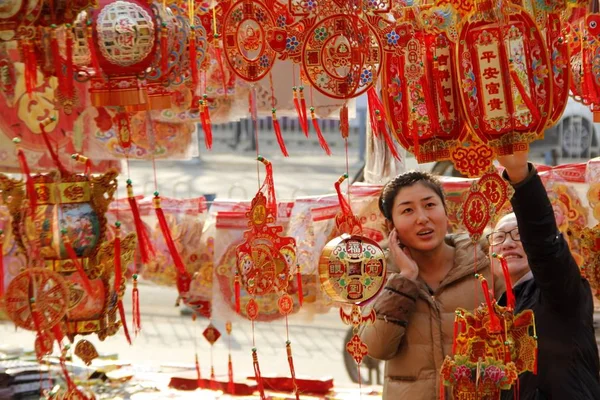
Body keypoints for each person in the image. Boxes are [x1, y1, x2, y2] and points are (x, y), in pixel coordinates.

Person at [360, 171, 503, 399]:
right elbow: (376, 348)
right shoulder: (379, 275)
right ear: (391, 227)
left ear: (445, 211)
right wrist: (405, 280)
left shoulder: (484, 262)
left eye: (429, 205)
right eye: (407, 210)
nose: (422, 218)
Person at [492, 151, 600, 400]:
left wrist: (520, 177)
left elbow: (544, 246)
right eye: (498, 237)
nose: (507, 244)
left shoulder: (560, 292)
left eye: (518, 235)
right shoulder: (497, 310)